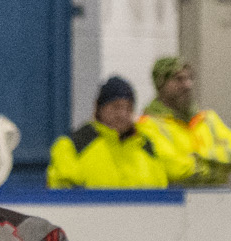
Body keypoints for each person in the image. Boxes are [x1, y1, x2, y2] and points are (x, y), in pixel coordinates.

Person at [46, 76, 176, 188]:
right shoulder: (74, 145)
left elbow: (161, 191)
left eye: (128, 108)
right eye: (116, 107)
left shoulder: (147, 146)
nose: (122, 114)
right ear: (99, 108)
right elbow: (63, 196)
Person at [140, 56, 231, 186]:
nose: (188, 85)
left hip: (219, 201)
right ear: (161, 84)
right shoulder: (148, 124)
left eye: (190, 78)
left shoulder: (207, 119)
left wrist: (198, 159)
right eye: (179, 79)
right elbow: (176, 170)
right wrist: (220, 167)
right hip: (176, 203)